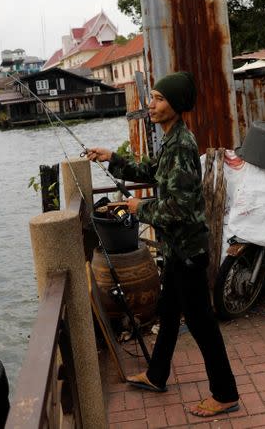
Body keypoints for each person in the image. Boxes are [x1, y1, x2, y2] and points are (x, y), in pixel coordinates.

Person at [86, 71, 240, 418]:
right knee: (169, 312)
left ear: (175, 105)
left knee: (201, 324)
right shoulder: (171, 141)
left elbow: (181, 209)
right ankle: (157, 375)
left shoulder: (182, 147)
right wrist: (111, 156)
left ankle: (225, 393)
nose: (150, 105)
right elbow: (149, 171)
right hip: (175, 249)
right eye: (151, 97)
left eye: (158, 99)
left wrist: (141, 207)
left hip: (187, 251)